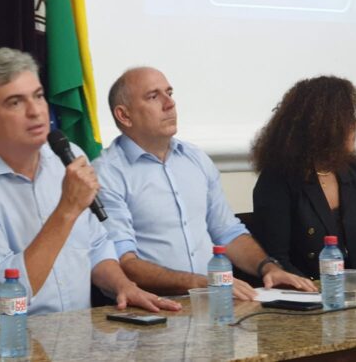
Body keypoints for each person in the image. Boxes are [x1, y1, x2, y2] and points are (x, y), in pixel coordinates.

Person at [0, 48, 181, 320]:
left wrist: (124, 286)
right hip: (6, 344)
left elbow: (96, 244)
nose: (36, 111)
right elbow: (5, 295)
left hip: (77, 336)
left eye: (38, 96)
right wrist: (67, 208)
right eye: (15, 102)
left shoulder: (68, 156)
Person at [92, 67, 316, 299]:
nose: (170, 104)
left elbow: (228, 233)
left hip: (215, 302)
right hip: (153, 309)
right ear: (124, 115)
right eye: (153, 96)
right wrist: (202, 283)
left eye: (170, 93)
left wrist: (269, 268)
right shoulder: (107, 173)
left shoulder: (195, 159)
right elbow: (123, 262)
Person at [250, 76, 356, 279]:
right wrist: (320, 293)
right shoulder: (278, 177)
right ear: (323, 126)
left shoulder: (353, 168)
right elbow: (277, 259)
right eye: (348, 118)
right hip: (306, 294)